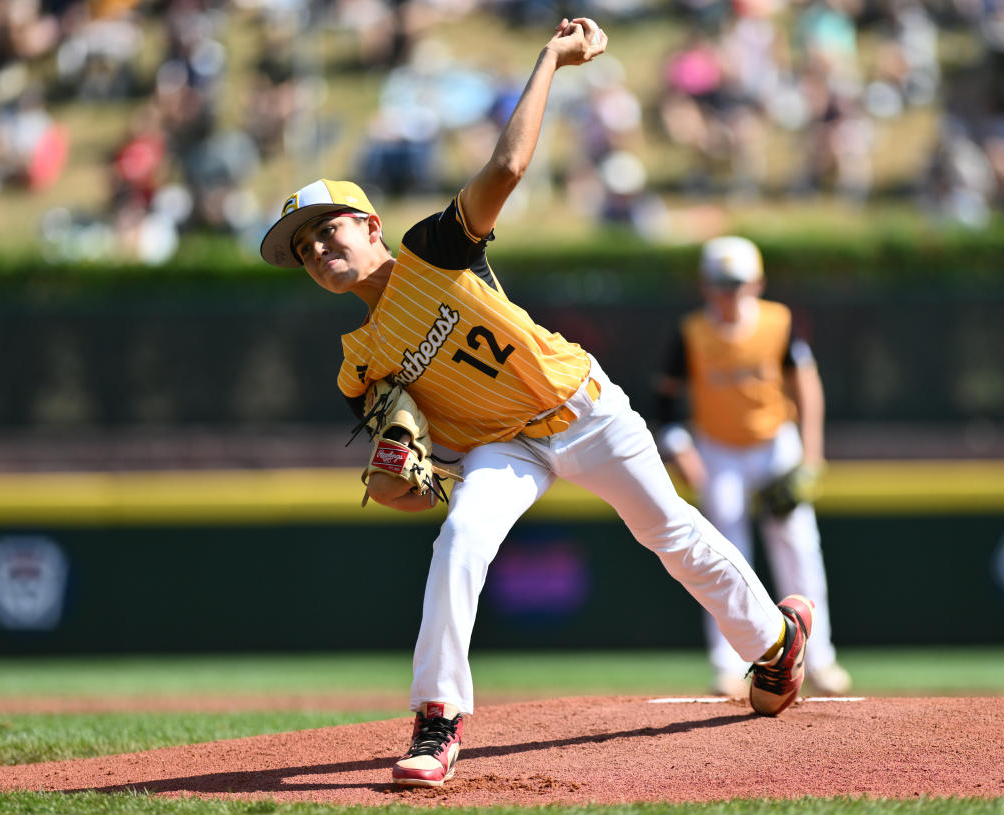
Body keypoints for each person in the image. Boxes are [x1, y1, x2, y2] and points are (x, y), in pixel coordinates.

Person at [259, 19, 812, 790]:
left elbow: (512, 164)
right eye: (303, 250)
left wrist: (551, 56)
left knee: (669, 532)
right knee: (458, 542)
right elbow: (410, 488)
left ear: (370, 225)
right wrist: (401, 485)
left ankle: (778, 639)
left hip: (581, 406)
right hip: (502, 450)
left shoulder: (432, 250)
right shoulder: (358, 364)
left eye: (326, 230)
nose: (317, 251)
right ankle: (438, 720)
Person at [653, 236, 852, 699]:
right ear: (705, 286)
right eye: (721, 284)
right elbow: (664, 402)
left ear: (757, 283)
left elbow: (806, 384)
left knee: (798, 544)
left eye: (738, 283)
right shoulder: (692, 333)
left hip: (774, 443)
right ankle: (732, 663)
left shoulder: (778, 322)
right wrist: (683, 450)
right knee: (721, 553)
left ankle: (819, 657)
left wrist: (811, 453)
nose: (729, 294)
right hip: (718, 448)